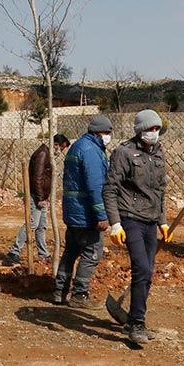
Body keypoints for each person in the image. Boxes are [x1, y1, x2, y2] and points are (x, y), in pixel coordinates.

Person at [105, 109, 169, 346]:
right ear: (139, 130)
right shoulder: (124, 153)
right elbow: (110, 189)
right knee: (141, 267)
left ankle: (133, 319)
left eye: (157, 129)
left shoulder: (160, 154)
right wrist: (115, 223)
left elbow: (160, 190)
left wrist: (162, 220)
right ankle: (137, 323)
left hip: (151, 220)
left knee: (147, 272)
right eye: (150, 129)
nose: (154, 133)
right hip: (131, 218)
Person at [54, 114, 114, 308]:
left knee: (71, 251)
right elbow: (95, 186)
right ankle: (80, 294)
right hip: (85, 214)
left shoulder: (79, 146)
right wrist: (102, 216)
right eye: (106, 132)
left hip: (72, 211)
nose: (108, 136)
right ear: (97, 133)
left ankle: (59, 291)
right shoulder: (91, 151)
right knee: (92, 252)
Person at [3, 133, 71, 266]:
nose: (61, 151)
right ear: (55, 145)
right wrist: (40, 198)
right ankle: (14, 252)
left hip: (42, 197)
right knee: (32, 224)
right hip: (37, 197)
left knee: (41, 226)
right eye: (61, 148)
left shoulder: (46, 154)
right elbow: (37, 177)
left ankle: (43, 254)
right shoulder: (43, 154)